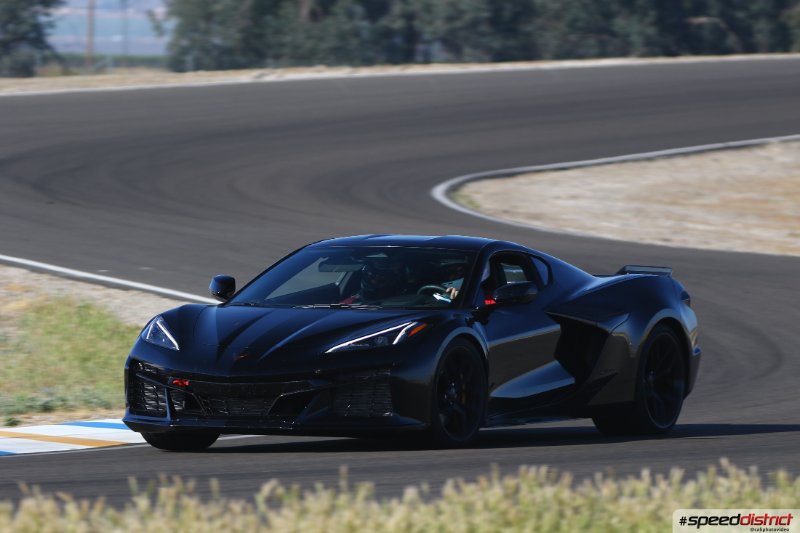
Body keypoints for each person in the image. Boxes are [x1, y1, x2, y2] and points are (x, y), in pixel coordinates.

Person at [340, 259, 406, 304]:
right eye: (372, 276)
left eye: (381, 278)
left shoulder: (407, 301)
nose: (375, 280)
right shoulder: (349, 303)